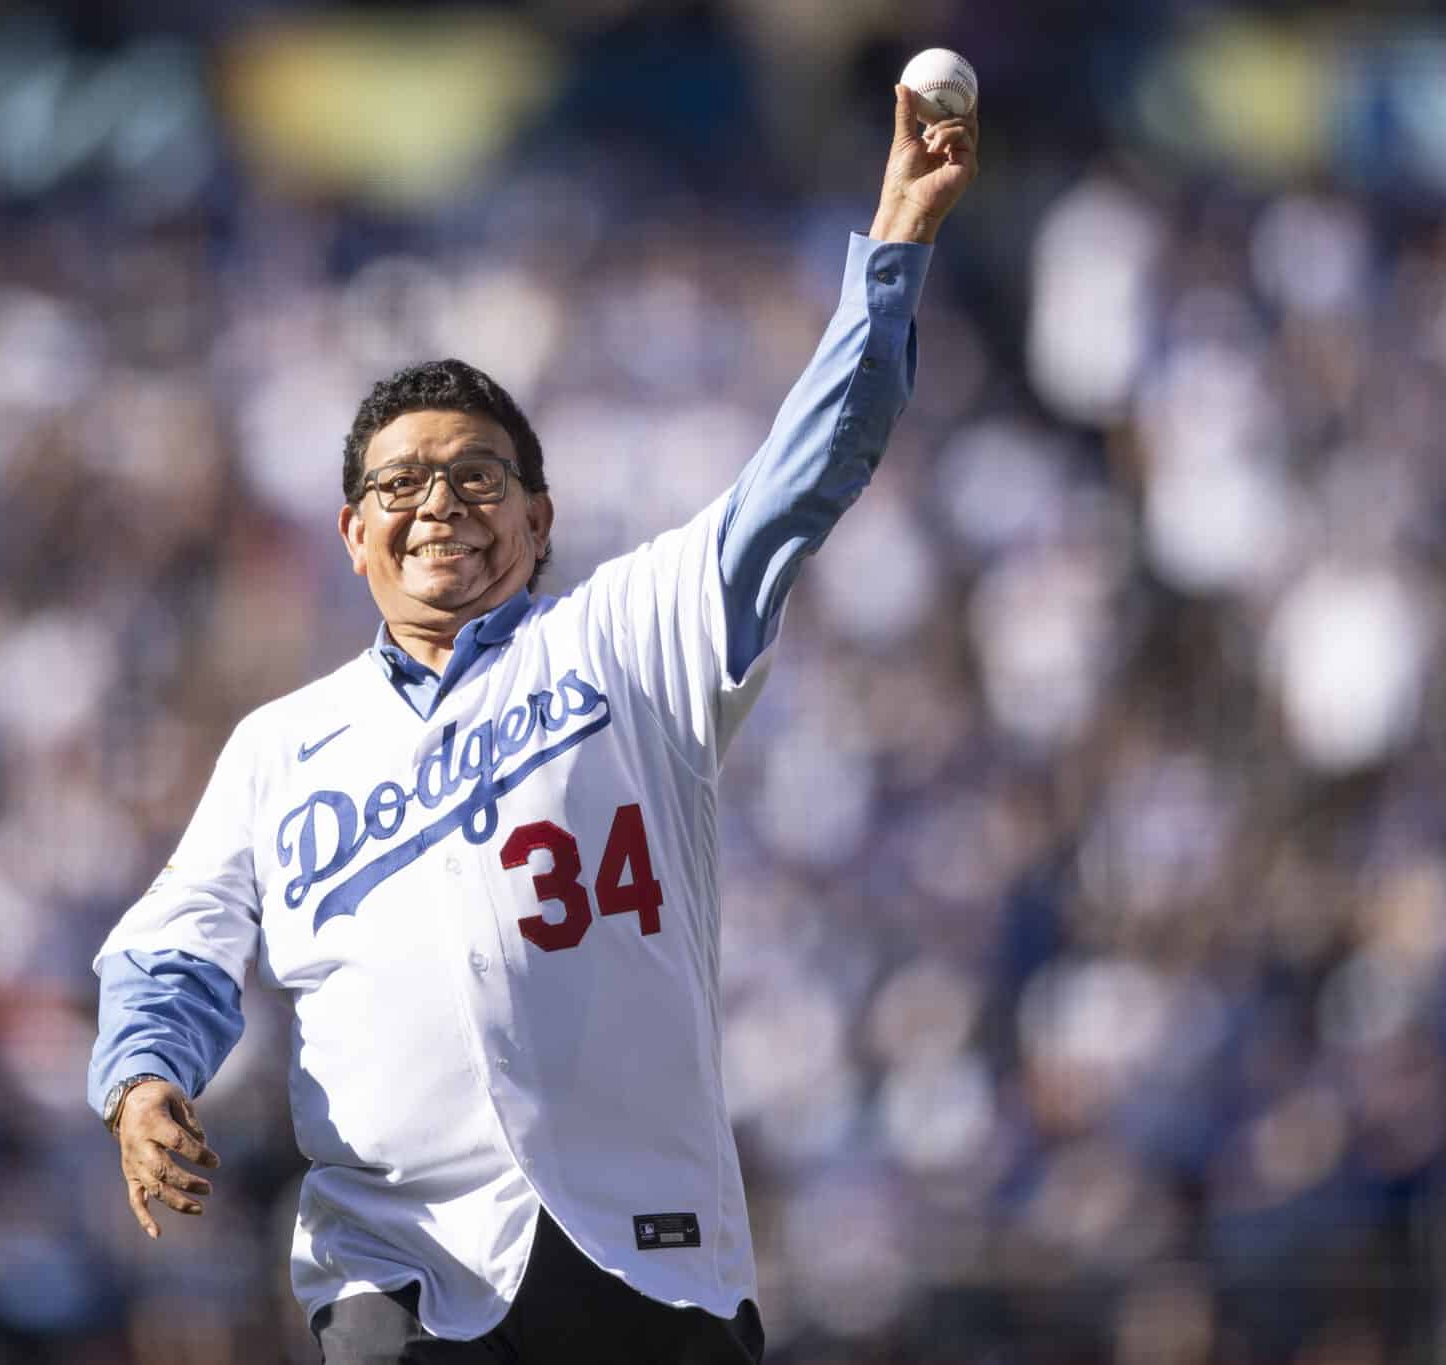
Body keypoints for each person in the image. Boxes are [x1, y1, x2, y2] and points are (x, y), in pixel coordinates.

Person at [88, 85, 978, 1363]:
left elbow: (805, 473)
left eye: (477, 475)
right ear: (352, 535)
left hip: (640, 1240)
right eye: (398, 483)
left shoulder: (628, 636)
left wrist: (890, 250)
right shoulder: (279, 746)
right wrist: (139, 1078)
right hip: (397, 1261)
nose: (438, 502)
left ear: (539, 520)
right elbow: (171, 945)